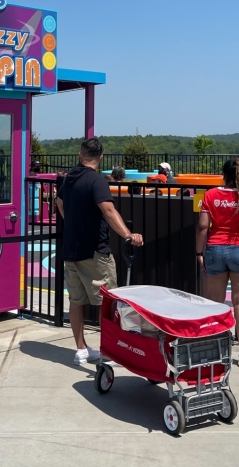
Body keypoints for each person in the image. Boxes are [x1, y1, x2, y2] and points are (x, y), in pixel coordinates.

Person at [56, 138, 144, 365]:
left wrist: (72, 222)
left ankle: (81, 349)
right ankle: (109, 351)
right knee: (109, 302)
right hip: (95, 251)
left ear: (80, 155)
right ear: (101, 157)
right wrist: (128, 234)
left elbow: (59, 201)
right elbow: (108, 209)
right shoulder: (96, 181)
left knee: (76, 300)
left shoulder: (70, 178)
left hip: (71, 249)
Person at [196, 157, 239, 368]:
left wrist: (199, 252)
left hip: (215, 250)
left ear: (224, 175)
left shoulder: (211, 195)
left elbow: (203, 227)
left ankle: (212, 351)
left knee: (214, 303)